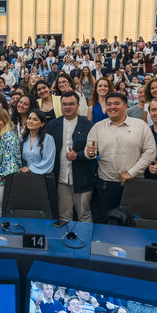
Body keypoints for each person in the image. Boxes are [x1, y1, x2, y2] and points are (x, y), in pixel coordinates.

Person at [86, 93, 156, 219]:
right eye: (108, 104)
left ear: (126, 105)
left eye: (116, 103)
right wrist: (89, 153)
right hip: (107, 185)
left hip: (134, 183)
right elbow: (90, 151)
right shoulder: (97, 127)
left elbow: (150, 152)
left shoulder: (140, 126)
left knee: (133, 222)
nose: (112, 107)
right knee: (108, 221)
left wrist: (131, 173)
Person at [48, 92, 96, 222]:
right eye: (64, 104)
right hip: (61, 179)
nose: (67, 107)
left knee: (84, 215)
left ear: (78, 105)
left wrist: (78, 155)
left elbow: (93, 151)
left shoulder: (88, 125)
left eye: (71, 104)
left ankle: (85, 241)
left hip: (82, 178)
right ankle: (66, 242)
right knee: (64, 215)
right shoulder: (52, 125)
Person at [20, 109, 56, 175]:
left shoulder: (48, 139)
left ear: (42, 124)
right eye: (29, 118)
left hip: (41, 177)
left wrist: (30, 169)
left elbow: (48, 161)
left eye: (35, 119)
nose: (30, 121)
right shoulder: (23, 138)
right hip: (25, 176)